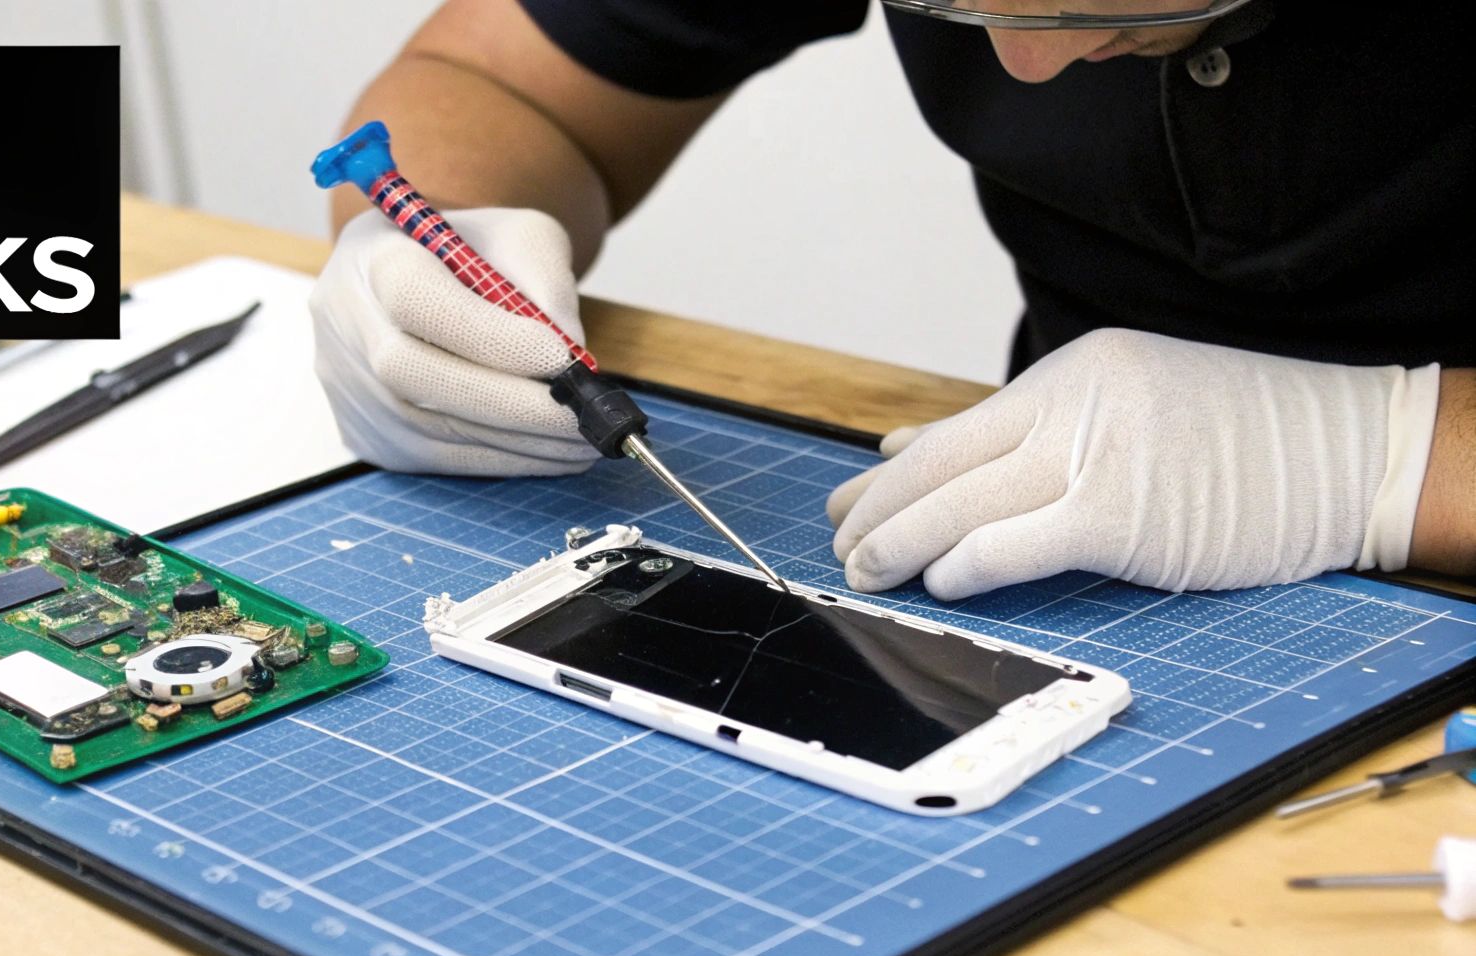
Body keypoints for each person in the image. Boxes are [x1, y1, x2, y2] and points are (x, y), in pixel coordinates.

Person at [310, 0, 1473, 601]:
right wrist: (434, 253)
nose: (1021, 63)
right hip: (1075, 534)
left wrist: (1381, 462)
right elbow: (500, 82)